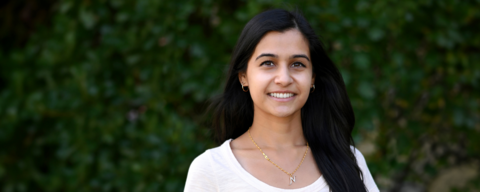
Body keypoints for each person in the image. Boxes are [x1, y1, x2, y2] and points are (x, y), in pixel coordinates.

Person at [184, 9, 379, 192]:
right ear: (243, 76)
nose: (284, 79)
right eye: (268, 63)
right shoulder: (212, 169)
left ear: (312, 77)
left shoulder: (348, 161)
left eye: (297, 64)